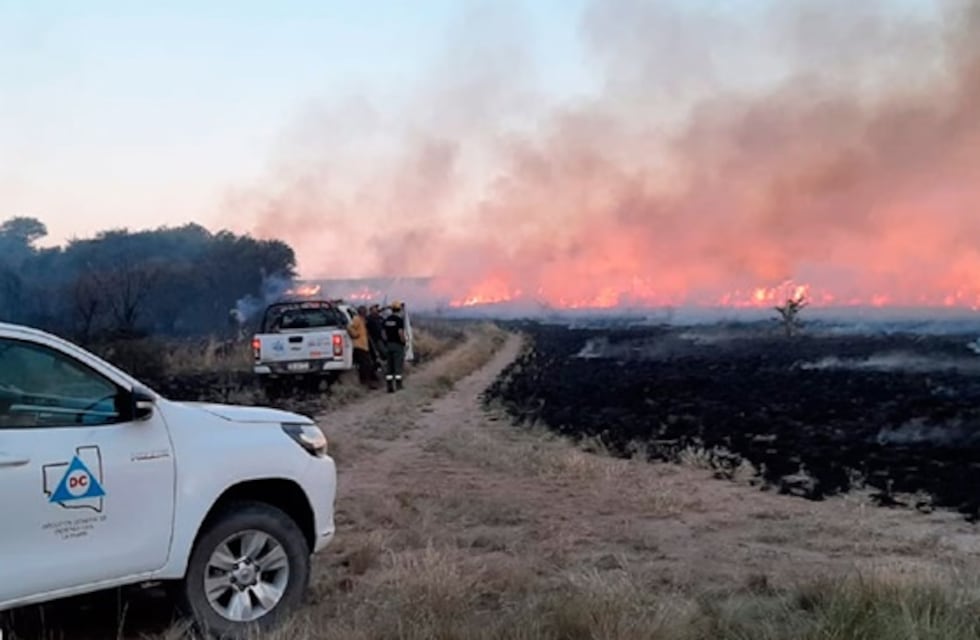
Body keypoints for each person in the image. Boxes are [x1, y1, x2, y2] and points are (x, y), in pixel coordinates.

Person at [347, 305, 376, 387]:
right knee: (365, 365)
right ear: (362, 312)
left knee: (367, 364)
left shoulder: (362, 320)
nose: (366, 313)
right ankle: (365, 382)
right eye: (365, 311)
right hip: (359, 346)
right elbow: (349, 327)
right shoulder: (357, 319)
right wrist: (355, 335)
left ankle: (367, 382)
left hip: (364, 346)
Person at [382, 301, 407, 392]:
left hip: (388, 345)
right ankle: (398, 385)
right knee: (398, 365)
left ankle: (389, 386)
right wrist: (404, 342)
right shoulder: (399, 320)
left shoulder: (386, 320)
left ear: (392, 309)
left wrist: (386, 341)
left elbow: (383, 334)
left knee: (389, 366)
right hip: (397, 345)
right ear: (399, 309)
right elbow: (400, 333)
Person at [366, 303, 386, 379]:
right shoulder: (369, 319)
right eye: (375, 308)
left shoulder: (379, 318)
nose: (377, 309)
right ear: (371, 310)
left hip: (380, 339)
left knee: (383, 354)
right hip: (372, 340)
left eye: (377, 308)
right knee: (375, 356)